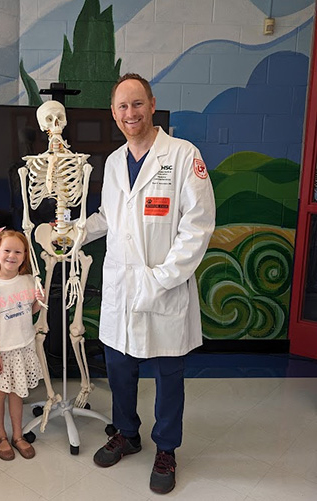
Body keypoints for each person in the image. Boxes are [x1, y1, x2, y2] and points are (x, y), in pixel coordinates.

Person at [84, 73, 216, 494]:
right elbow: (109, 218)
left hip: (164, 287)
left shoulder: (182, 156)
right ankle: (127, 433)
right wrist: (74, 232)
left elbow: (198, 227)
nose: (130, 113)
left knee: (167, 375)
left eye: (137, 104)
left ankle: (166, 449)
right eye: (122, 107)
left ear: (152, 104)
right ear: (113, 113)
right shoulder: (113, 161)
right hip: (122, 288)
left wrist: (163, 278)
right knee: (120, 369)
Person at [0, 228, 45, 461]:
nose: (11, 256)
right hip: (2, 352)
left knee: (17, 394)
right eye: (7, 250)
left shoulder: (27, 281)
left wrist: (38, 302)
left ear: (24, 256)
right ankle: (0, 436)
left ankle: (17, 435)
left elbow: (29, 311)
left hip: (23, 348)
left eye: (18, 252)